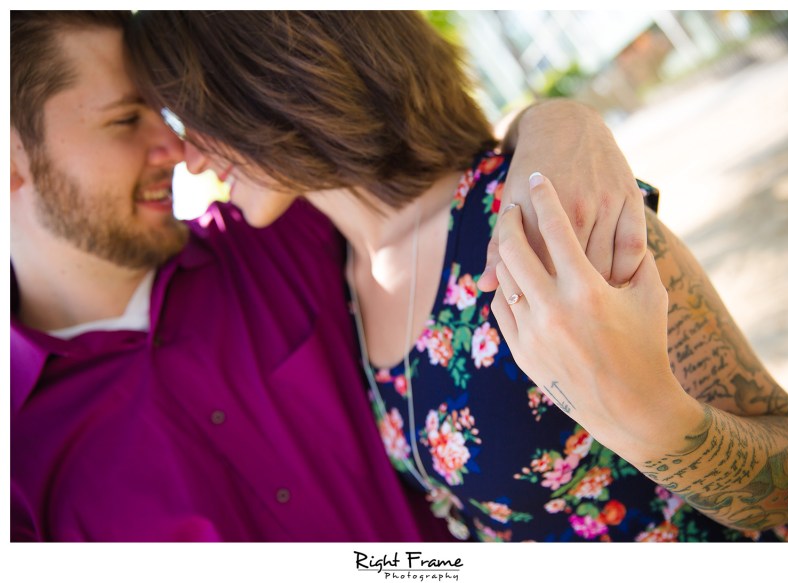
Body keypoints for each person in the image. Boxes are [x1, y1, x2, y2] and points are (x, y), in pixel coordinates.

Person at [125, 10, 788, 542]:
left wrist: (657, 418)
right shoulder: (336, 275)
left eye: (191, 115)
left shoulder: (530, 213)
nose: (185, 154)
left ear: (267, 84)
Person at [9, 11, 647, 542]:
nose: (178, 150)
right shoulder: (21, 465)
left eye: (167, 116)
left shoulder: (280, 235)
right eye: (126, 119)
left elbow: (418, 152)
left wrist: (559, 122)